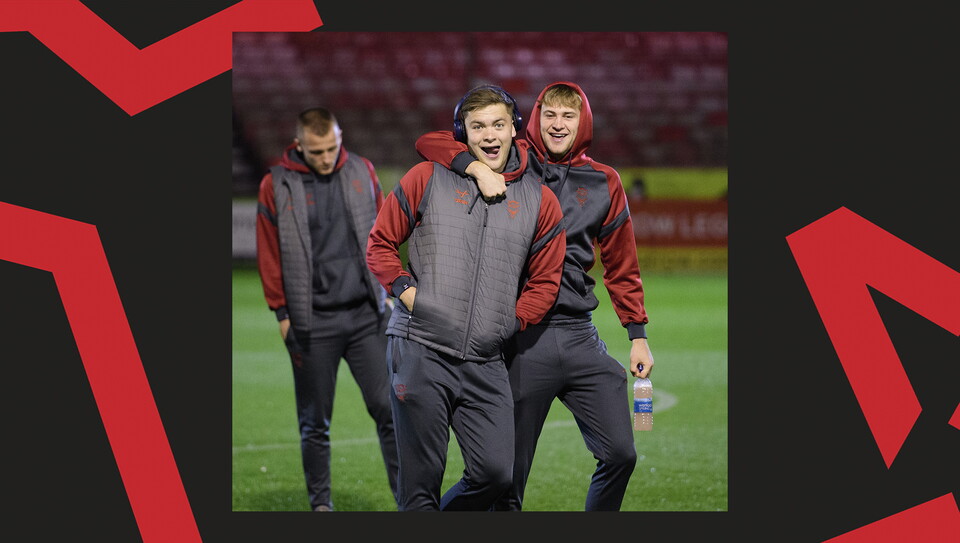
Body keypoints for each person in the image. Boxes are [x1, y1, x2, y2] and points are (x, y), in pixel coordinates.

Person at [415, 81, 655, 511]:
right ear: (534, 120)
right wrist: (476, 168)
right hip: (520, 337)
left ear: (584, 123)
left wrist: (636, 333)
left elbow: (622, 265)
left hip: (581, 335)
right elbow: (429, 141)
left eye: (568, 116)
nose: (558, 125)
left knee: (622, 453)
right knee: (507, 480)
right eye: (549, 115)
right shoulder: (511, 161)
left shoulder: (604, 181)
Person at [366, 85, 566, 511]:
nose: (489, 135)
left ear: (515, 129)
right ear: (463, 133)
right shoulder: (426, 176)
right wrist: (408, 295)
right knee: (419, 489)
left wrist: (508, 324)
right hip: (420, 348)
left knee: (497, 474)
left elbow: (546, 283)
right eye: (477, 127)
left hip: (485, 360)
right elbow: (380, 244)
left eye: (498, 124)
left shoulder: (540, 200)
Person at [255, 107, 399, 511]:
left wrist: (386, 290)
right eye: (317, 151)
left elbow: (384, 234)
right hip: (311, 322)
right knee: (315, 422)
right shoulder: (275, 184)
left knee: (390, 409)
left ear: (341, 137)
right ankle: (322, 505)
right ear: (300, 145)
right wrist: (281, 314)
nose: (326, 158)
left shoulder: (362, 170)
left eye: (333, 148)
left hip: (366, 317)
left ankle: (409, 500)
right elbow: (268, 253)